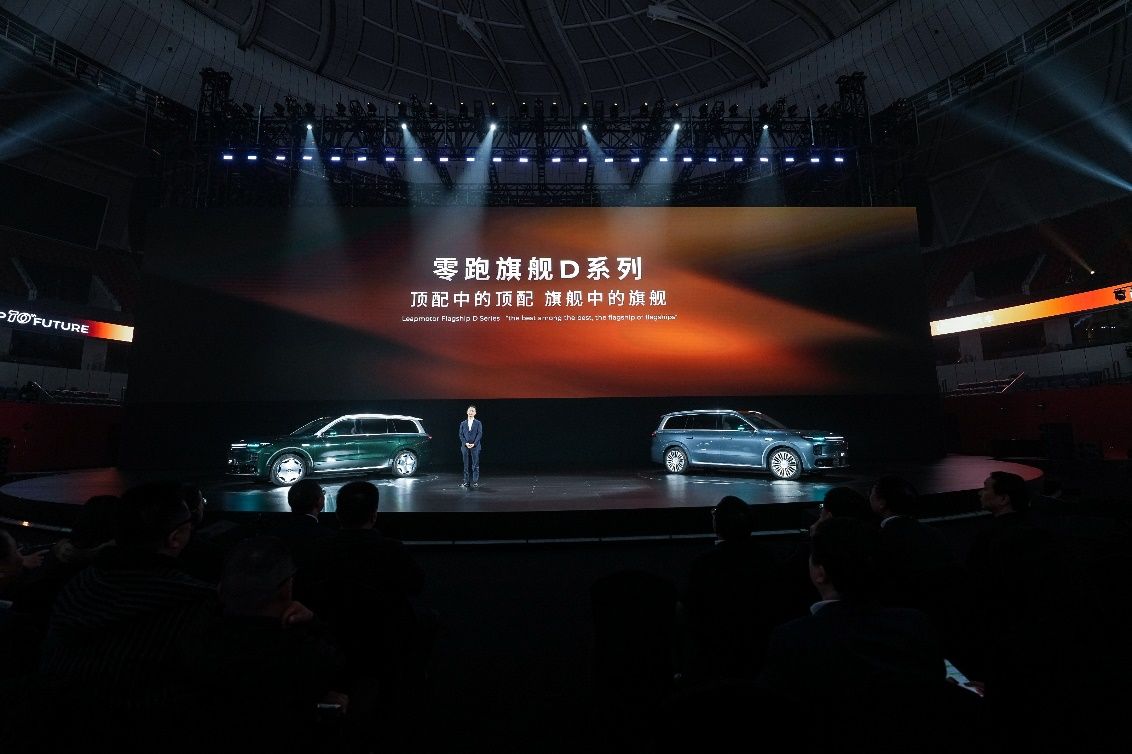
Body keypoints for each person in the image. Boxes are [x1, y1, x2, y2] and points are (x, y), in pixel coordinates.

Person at [459, 404, 483, 488]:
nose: (471, 412)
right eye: (469, 410)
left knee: (475, 464)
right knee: (466, 465)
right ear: (467, 412)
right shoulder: (463, 423)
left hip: (475, 446)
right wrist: (465, 443)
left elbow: (479, 434)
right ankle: (466, 482)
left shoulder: (478, 423)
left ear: (475, 413)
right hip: (465, 446)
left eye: (472, 411)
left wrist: (474, 443)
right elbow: (461, 434)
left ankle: (475, 481)